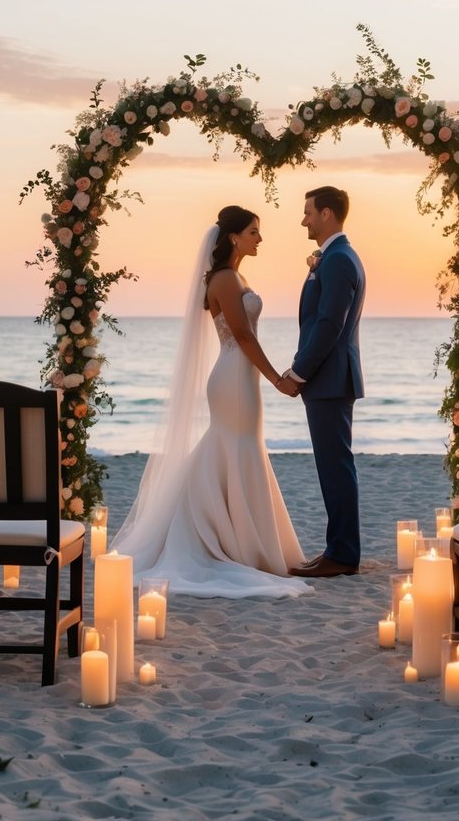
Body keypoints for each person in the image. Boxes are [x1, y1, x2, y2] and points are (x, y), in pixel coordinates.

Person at [111, 205, 311, 597]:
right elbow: (242, 336)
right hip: (234, 378)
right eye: (254, 231)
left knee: (238, 448)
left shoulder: (237, 276)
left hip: (241, 378)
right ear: (234, 236)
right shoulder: (223, 279)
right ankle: (231, 542)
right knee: (234, 447)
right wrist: (276, 380)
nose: (260, 238)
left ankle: (241, 538)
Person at [284, 186, 366, 579]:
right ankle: (338, 548)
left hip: (330, 379)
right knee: (333, 466)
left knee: (335, 467)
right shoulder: (335, 257)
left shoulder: (338, 260)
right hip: (330, 379)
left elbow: (329, 324)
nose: (304, 220)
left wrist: (299, 372)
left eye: (308, 213)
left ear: (327, 214)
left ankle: (344, 554)